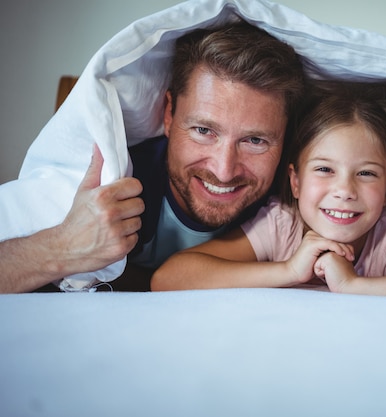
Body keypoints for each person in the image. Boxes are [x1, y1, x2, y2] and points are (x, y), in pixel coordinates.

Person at [0, 21, 305, 293]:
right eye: (203, 130)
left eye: (255, 140)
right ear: (169, 113)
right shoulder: (115, 179)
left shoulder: (293, 200)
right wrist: (63, 246)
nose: (224, 170)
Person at [151, 85, 386, 299]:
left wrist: (354, 286)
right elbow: (169, 278)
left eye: (366, 173)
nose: (344, 191)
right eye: (324, 169)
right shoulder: (280, 225)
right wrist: (288, 270)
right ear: (295, 181)